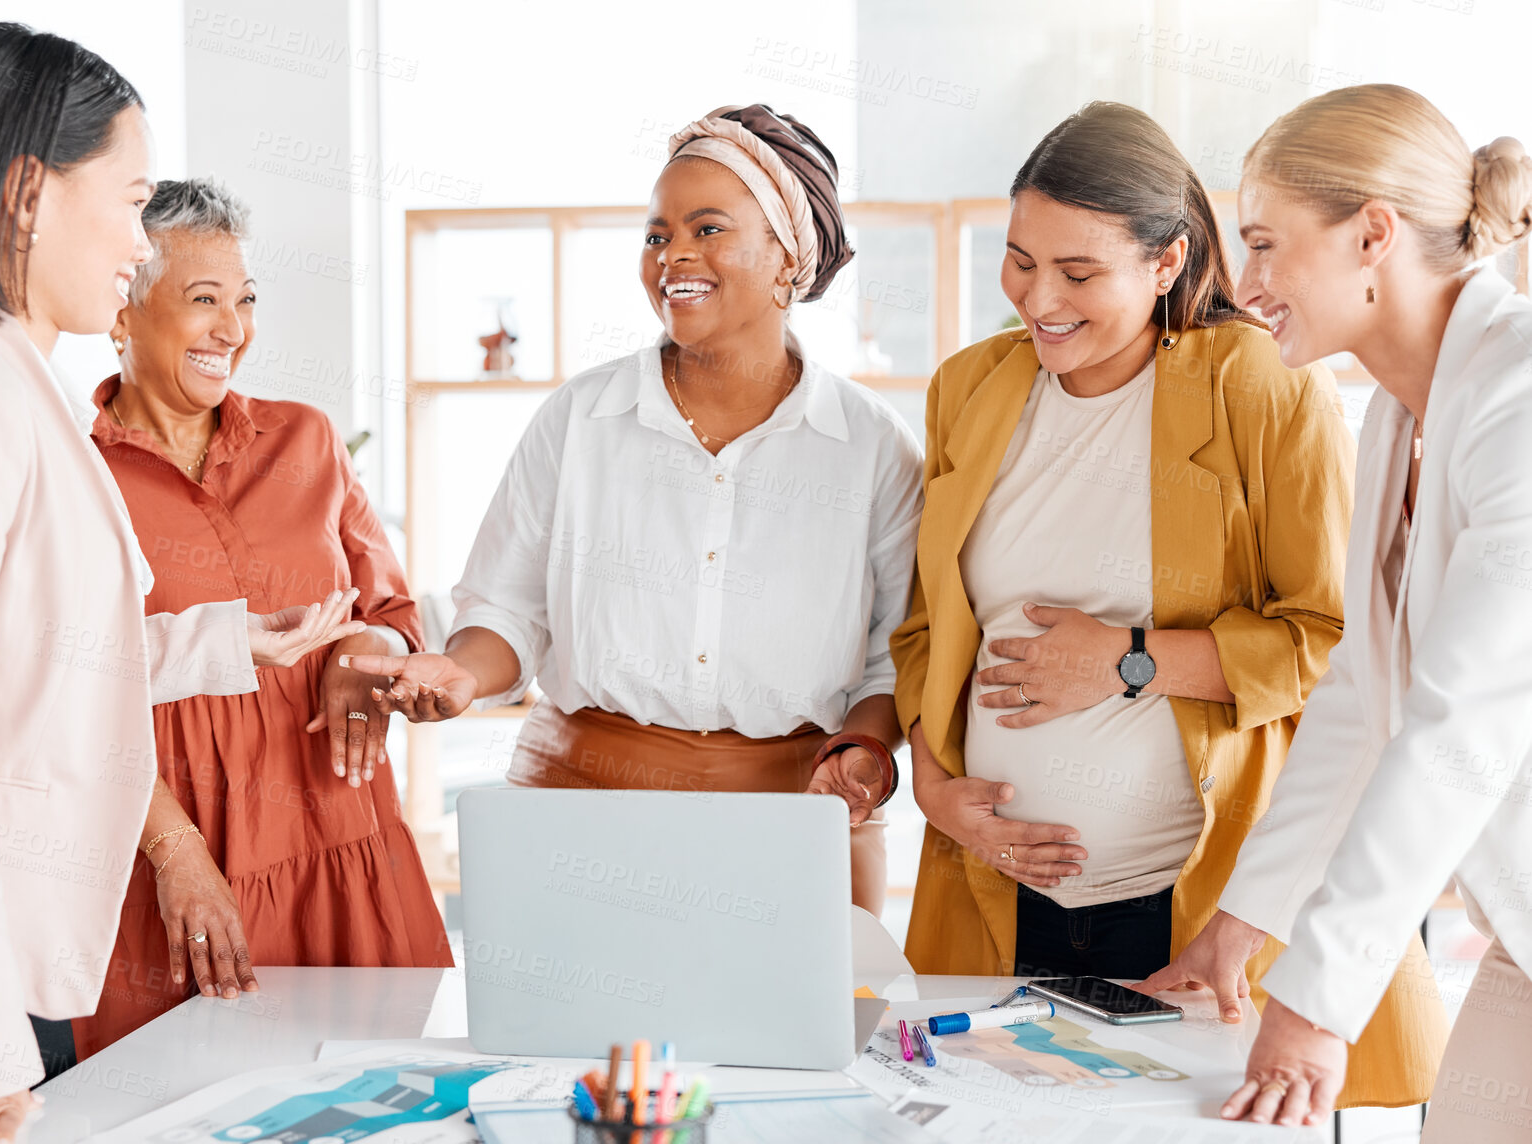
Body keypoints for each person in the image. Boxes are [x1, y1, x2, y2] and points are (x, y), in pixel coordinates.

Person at [0, 25, 359, 1144]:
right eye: (132, 200)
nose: (142, 248)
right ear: (27, 193)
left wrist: (226, 643)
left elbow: (27, 655)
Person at [891, 101, 1442, 1109]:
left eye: (1078, 272)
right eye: (1019, 260)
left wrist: (1128, 658)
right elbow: (927, 626)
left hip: (1192, 903)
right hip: (996, 889)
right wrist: (934, 790)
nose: (1036, 298)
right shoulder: (969, 388)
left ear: (1166, 261)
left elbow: (1335, 636)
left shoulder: (1260, 385)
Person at [342, 104, 924, 915]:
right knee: (571, 1045)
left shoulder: (872, 446)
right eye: (657, 236)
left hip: (795, 824)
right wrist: (463, 672)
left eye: (709, 228)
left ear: (789, 260)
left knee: (786, 1044)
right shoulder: (581, 418)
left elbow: (898, 654)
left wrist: (865, 750)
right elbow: (508, 609)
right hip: (579, 816)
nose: (674, 255)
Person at [1126, 85, 1532, 1137]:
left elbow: (1462, 726)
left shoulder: (1520, 405)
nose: (1247, 281)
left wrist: (1312, 1000)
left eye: (1265, 243)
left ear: (1373, 235)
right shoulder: (1401, 418)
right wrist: (1243, 929)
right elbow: (1360, 703)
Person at [71, 178, 451, 1056]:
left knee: (382, 1100)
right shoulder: (74, 477)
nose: (234, 331)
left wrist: (367, 650)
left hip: (341, 839)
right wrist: (177, 855)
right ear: (124, 313)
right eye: (204, 300)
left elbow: (392, 608)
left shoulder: (307, 441)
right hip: (177, 866)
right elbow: (67, 692)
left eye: (244, 301)